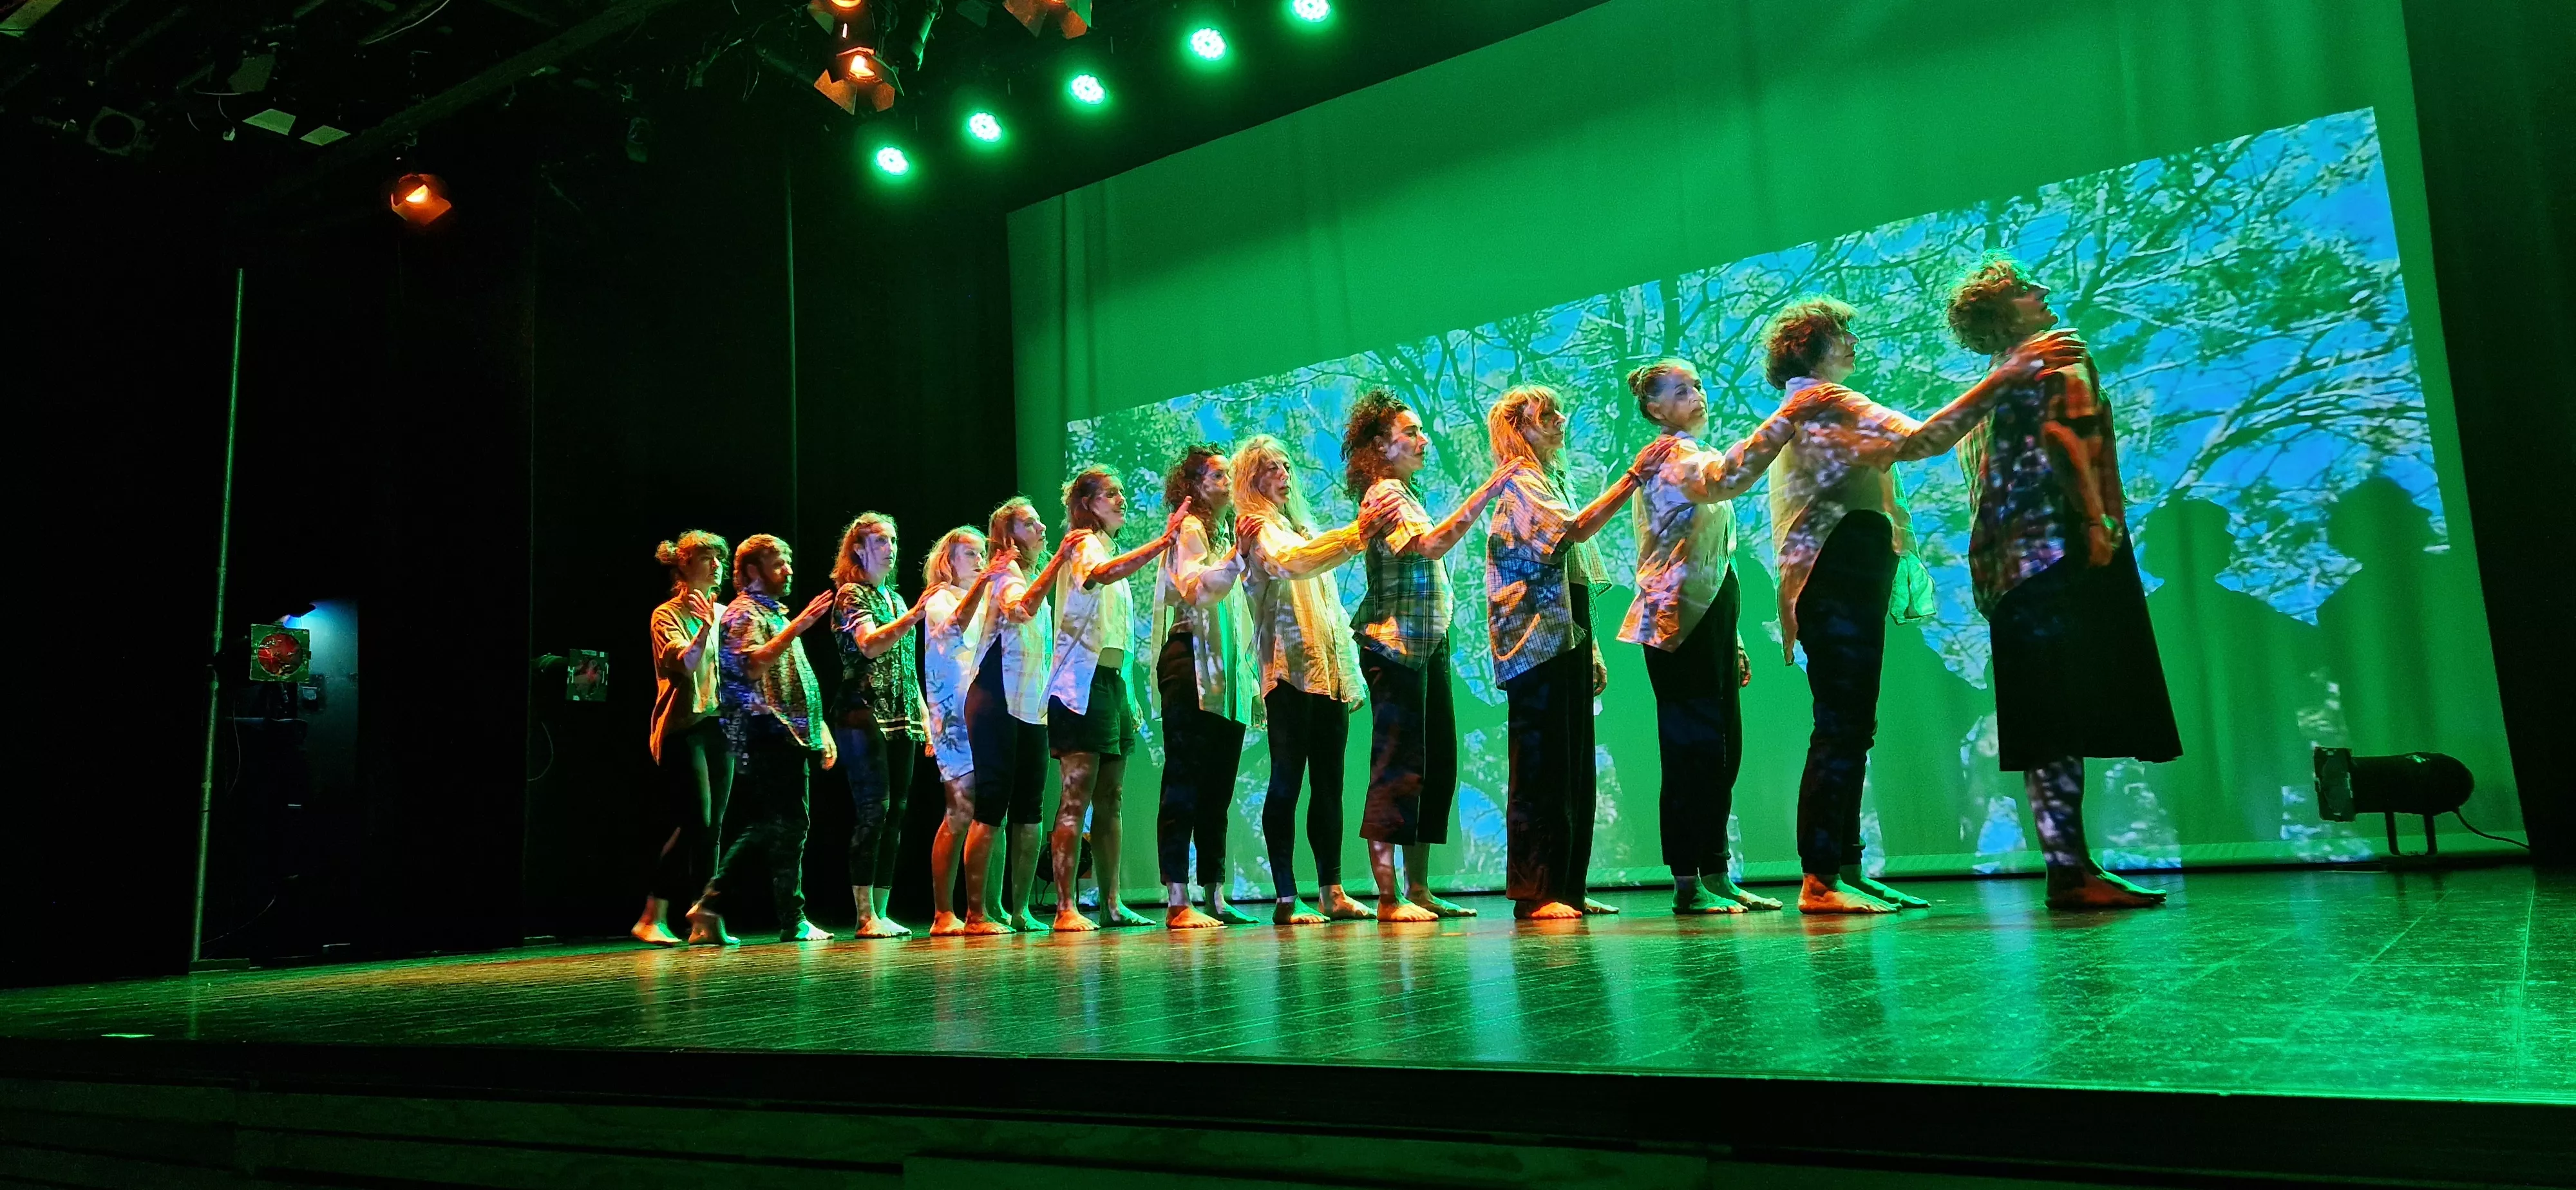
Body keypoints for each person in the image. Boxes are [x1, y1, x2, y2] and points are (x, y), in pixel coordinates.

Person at [1765, 298, 2085, 914]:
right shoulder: (1825, 400)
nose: (1854, 344)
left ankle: (1845, 870)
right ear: (1810, 346)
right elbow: (1924, 439)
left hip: (1845, 578)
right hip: (1834, 580)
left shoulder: (1820, 405)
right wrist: (2011, 373)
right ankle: (1821, 879)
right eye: (1843, 335)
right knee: (1839, 728)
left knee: (1852, 726)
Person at [1946, 259, 2180, 909]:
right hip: (2056, 551)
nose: (2042, 293)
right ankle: (2072, 872)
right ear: (2001, 314)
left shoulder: (1991, 388)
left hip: (2007, 570)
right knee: (2062, 718)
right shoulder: (2056, 358)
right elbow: (2068, 436)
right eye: (2023, 290)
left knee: (2047, 722)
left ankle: (2068, 868)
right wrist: (2096, 518)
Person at [1620, 359, 1806, 914]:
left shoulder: (1690, 455)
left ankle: (1718, 872)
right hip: (1676, 620)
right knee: (1690, 753)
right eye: (1681, 391)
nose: (1697, 395)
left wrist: (1738, 638)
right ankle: (1686, 880)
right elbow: (1729, 476)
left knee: (1724, 750)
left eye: (1698, 385)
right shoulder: (1672, 459)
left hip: (1712, 615)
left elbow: (1711, 557)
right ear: (1656, 409)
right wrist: (1787, 418)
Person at [1342, 388, 1519, 922]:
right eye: (1411, 432)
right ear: (1381, 443)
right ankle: (1390, 897)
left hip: (1427, 644)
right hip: (1393, 645)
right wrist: (1488, 489)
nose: (1424, 439)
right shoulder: (1385, 494)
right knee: (1396, 766)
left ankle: (1419, 888)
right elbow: (1432, 545)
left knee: (1434, 764)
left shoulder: (1407, 491)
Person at [1482, 386, 1643, 920]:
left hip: (1564, 633)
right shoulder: (1522, 481)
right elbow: (1573, 531)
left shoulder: (1553, 478)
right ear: (1518, 428)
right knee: (1542, 768)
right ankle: (1537, 891)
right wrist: (1633, 479)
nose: (1559, 421)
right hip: (1534, 642)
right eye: (1545, 416)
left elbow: (1571, 571)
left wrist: (1591, 644)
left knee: (1573, 765)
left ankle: (1568, 886)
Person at [1232, 435, 1380, 925]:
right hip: (1289, 672)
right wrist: (1357, 534)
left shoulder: (1301, 525)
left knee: (1331, 785)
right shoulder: (1260, 528)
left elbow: (1332, 610)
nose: (1284, 475)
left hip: (1327, 674)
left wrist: (1350, 675)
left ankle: (1332, 890)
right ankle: (1285, 896)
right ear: (1252, 479)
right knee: (1287, 782)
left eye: (1286, 466)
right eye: (1271, 468)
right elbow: (1294, 563)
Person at [1040, 465, 1186, 932]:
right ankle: (1066, 907)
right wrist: (1161, 544)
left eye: (1122, 493)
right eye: (1111, 494)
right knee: (1075, 798)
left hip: (1112, 687)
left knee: (1113, 798)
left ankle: (1112, 903)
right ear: (1087, 504)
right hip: (1081, 690)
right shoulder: (1083, 544)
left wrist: (1128, 689)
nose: (1121, 501)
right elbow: (1101, 575)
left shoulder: (1106, 547)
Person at [696, 534, 838, 943]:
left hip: (789, 732)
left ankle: (733, 908)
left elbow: (799, 680)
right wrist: (799, 626)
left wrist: (820, 729)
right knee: (779, 823)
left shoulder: (772, 613)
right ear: (753, 571)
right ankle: (722, 903)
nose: (789, 571)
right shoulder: (743, 613)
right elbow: (754, 667)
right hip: (764, 730)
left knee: (786, 825)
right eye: (779, 564)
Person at [1149, 446, 1264, 929]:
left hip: (1225, 670)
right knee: (1185, 780)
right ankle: (1179, 898)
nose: (1229, 479)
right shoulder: (1189, 531)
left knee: (1218, 786)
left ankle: (1214, 894)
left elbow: (1237, 614)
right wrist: (1238, 555)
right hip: (1189, 661)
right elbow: (1200, 589)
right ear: (1196, 486)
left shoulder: (1217, 532)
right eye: (1219, 474)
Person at [829, 513, 931, 939]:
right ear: (859, 548)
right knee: (876, 809)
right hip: (863, 713)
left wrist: (925, 718)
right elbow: (870, 646)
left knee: (898, 813)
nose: (891, 548)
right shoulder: (852, 595)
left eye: (894, 540)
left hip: (902, 718)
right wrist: (914, 617)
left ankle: (882, 913)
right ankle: (864, 913)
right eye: (882, 541)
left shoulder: (895, 597)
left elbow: (907, 664)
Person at [636, 530, 732, 946]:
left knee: (712, 829)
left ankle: (703, 918)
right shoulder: (667, 614)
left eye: (721, 559)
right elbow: (687, 663)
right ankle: (651, 915)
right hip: (683, 728)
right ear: (685, 565)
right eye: (708, 558)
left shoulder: (726, 612)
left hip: (719, 727)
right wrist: (705, 627)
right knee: (698, 820)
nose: (717, 566)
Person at [963, 498, 1055, 933]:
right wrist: (1057, 567)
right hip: (997, 700)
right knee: (992, 805)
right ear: (1009, 535)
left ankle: (1021, 911)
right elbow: (1021, 609)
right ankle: (978, 913)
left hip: (1032, 706)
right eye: (1031, 524)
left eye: (1039, 523)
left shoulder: (1033, 573)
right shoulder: (1003, 572)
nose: (1042, 529)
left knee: (1030, 810)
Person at [918, 525, 1014, 936]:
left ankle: (991, 906)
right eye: (970, 555)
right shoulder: (939, 598)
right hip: (953, 717)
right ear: (948, 561)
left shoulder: (990, 597)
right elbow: (955, 627)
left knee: (993, 809)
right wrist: (987, 583)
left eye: (981, 554)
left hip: (985, 713)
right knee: (960, 810)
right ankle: (944, 912)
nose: (979, 561)